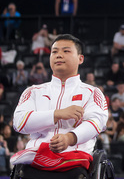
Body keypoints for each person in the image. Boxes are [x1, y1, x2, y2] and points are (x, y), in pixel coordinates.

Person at [10, 34, 108, 170]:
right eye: (54, 51)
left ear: (81, 59)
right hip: (36, 157)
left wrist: (69, 138)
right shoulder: (33, 91)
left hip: (76, 158)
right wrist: (57, 114)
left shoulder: (92, 93)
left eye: (66, 51)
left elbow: (96, 123)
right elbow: (19, 123)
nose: (59, 55)